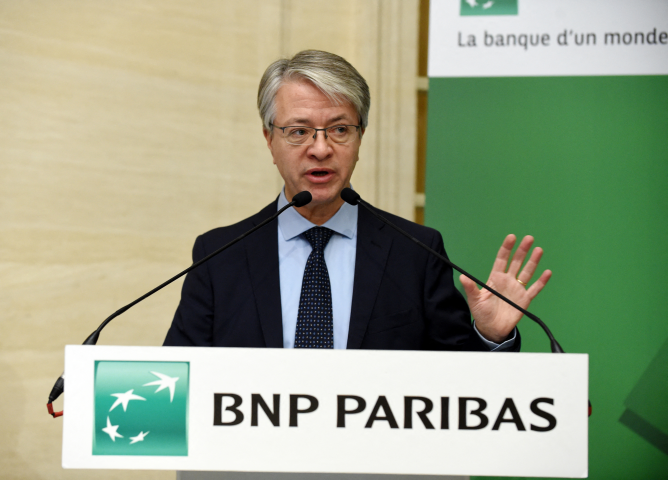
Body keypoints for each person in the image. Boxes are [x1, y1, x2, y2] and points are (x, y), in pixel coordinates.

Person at [163, 50, 551, 351]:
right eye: (299, 131)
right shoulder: (220, 256)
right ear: (270, 140)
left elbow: (457, 391)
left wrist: (488, 336)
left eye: (340, 129)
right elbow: (180, 375)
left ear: (360, 137)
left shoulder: (415, 253)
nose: (320, 149)